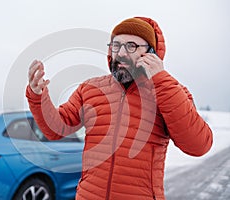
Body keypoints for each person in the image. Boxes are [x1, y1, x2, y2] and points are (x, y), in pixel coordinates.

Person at [26, 17, 213, 200]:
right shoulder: (90, 88)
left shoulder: (169, 91)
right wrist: (38, 96)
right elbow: (56, 128)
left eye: (131, 46)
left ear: (151, 53)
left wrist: (161, 81)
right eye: (116, 45)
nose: (121, 53)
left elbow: (198, 146)